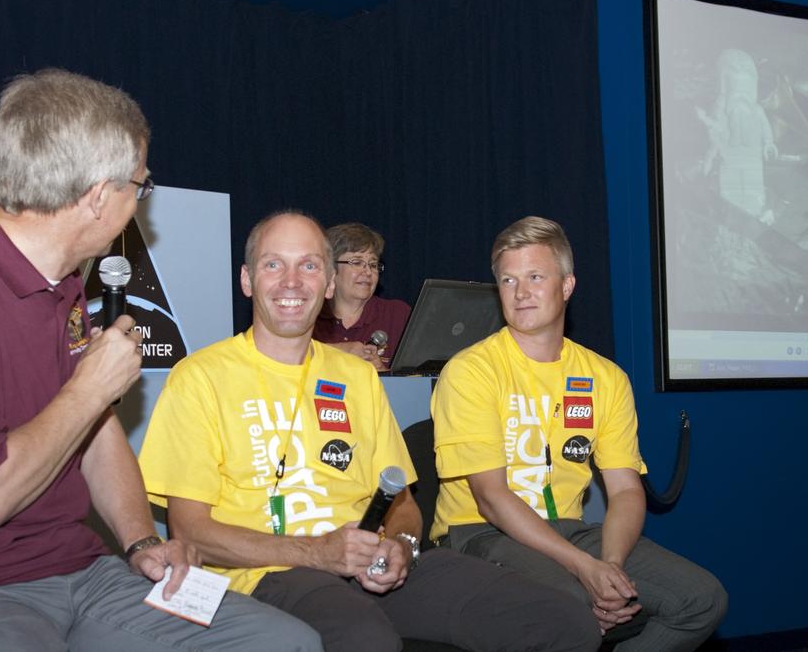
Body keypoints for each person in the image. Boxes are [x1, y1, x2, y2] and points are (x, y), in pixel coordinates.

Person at [0, 69, 319, 652]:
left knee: (285, 642)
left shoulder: (62, 286)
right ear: (100, 196)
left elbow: (95, 432)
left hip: (79, 571)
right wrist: (89, 389)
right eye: (142, 185)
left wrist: (139, 543)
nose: (140, 202)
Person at [138, 211, 601, 651]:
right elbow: (191, 530)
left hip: (365, 566)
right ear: (246, 280)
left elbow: (400, 501)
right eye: (273, 264)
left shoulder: (355, 377)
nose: (292, 281)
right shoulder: (200, 376)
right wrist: (317, 552)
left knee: (565, 624)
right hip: (265, 575)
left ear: (328, 283)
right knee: (365, 639)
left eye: (309, 265)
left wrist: (400, 545)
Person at [430, 216, 728, 651]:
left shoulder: (605, 377)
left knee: (702, 599)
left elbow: (626, 490)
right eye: (508, 280)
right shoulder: (471, 371)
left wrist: (609, 564)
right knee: (569, 604)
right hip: (478, 532)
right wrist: (584, 570)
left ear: (567, 286)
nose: (521, 292)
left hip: (570, 528)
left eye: (535, 276)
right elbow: (491, 499)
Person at [312, 222, 411, 370]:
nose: (367, 272)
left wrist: (383, 374)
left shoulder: (397, 315)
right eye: (357, 262)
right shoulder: (308, 315)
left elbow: (420, 382)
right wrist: (339, 351)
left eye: (373, 264)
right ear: (330, 269)